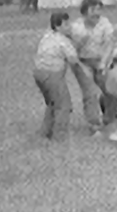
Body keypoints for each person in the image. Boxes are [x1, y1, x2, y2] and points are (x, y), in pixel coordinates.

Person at [67, 0, 117, 133]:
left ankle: (110, 119)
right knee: (90, 93)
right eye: (93, 10)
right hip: (83, 62)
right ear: (84, 12)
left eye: (99, 9)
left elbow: (109, 44)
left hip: (101, 60)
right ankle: (94, 125)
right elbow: (71, 50)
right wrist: (81, 41)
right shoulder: (76, 27)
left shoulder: (104, 23)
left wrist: (103, 63)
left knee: (111, 89)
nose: (97, 13)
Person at [33, 11, 83, 141]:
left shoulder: (47, 36)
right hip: (52, 74)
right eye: (66, 25)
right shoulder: (63, 41)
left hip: (39, 74)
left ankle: (45, 133)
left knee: (52, 103)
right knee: (63, 105)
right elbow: (73, 59)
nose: (70, 27)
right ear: (57, 26)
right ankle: (59, 137)